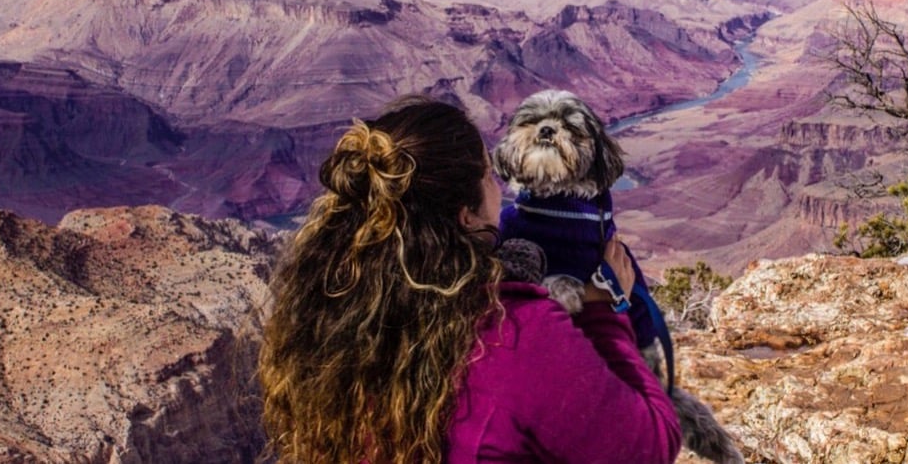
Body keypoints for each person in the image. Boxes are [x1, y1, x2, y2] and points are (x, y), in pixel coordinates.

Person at [258, 95, 681, 464]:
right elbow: (650, 447)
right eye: (488, 175)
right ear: (467, 216)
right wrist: (605, 311)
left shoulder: (333, 314)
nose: (501, 188)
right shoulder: (512, 332)